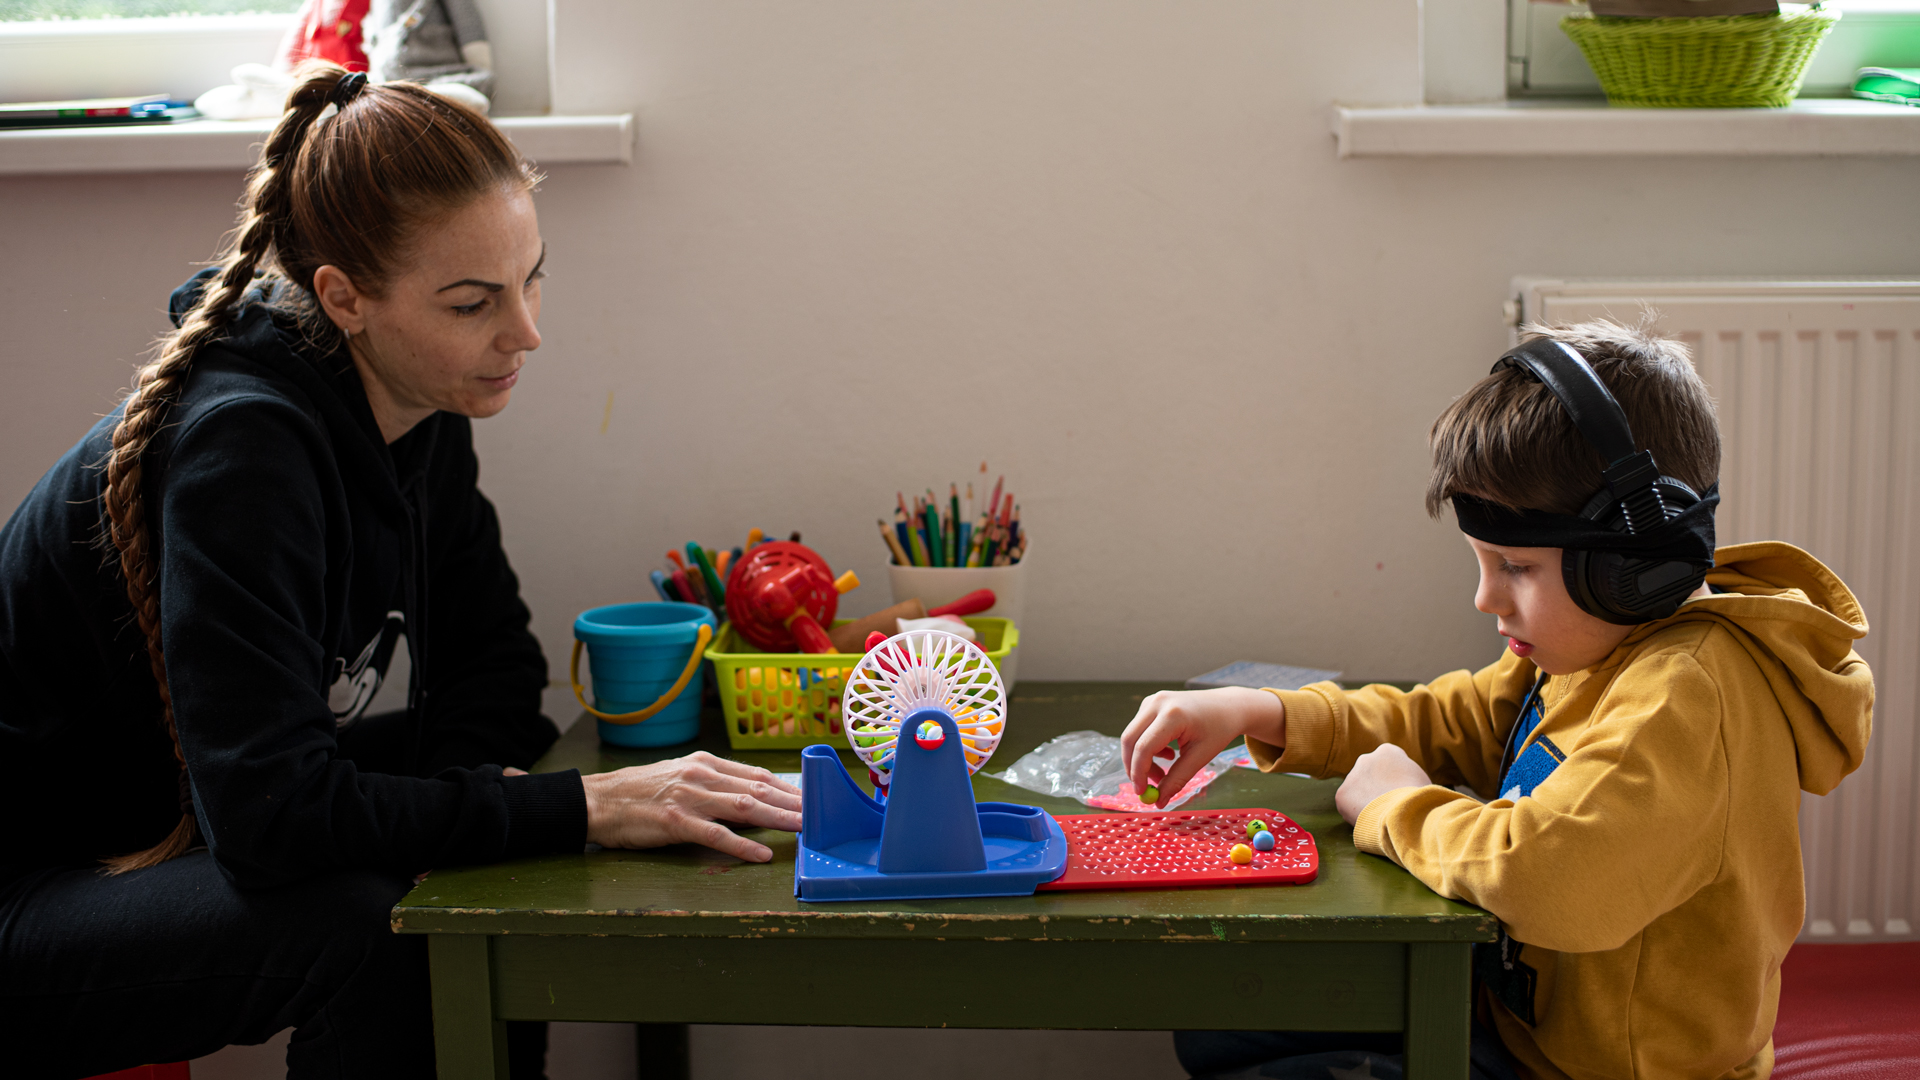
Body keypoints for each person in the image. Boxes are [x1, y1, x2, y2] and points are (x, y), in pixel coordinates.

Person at [0, 64, 800, 1080]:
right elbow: (271, 819)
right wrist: (573, 807)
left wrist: (479, 812)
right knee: (381, 928)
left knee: (475, 892)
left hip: (147, 859)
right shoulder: (242, 453)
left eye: (533, 277)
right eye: (473, 303)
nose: (526, 332)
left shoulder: (417, 405)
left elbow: (497, 670)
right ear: (344, 298)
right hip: (35, 889)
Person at [1124, 320, 1873, 1080]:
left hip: (1606, 1072)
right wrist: (1266, 712)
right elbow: (1453, 718)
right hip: (1524, 1029)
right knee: (1216, 1032)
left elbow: (1547, 876)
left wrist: (1396, 807)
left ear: (1630, 565)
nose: (1486, 598)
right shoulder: (1593, 645)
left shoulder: (1686, 698)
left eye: (1515, 567)